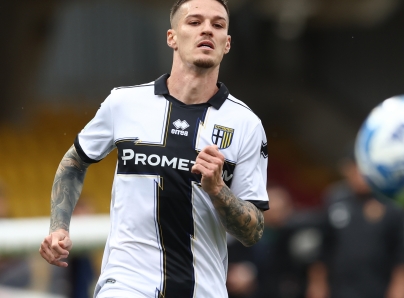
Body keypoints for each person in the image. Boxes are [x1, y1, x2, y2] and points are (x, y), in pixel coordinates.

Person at [39, 0, 269, 297]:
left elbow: (254, 232)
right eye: (195, 22)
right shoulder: (123, 104)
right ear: (172, 37)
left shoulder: (246, 124)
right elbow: (74, 163)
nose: (207, 30)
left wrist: (218, 190)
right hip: (125, 284)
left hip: (202, 289)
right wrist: (59, 227)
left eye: (218, 24)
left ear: (227, 44)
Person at [306, 147, 404, 298]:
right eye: (356, 167)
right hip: (339, 290)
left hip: (377, 290)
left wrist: (399, 291)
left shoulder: (391, 203)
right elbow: (323, 248)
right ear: (346, 169)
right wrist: (317, 285)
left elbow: (401, 257)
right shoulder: (335, 198)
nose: (361, 174)